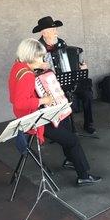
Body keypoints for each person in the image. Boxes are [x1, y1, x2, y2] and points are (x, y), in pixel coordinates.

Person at [8, 38, 102, 186]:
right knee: (73, 139)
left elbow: (15, 96)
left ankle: (71, 159)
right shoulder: (27, 76)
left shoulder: (18, 66)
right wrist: (43, 101)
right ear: (31, 56)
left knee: (64, 120)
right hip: (33, 119)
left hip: (28, 115)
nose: (42, 59)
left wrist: (38, 68)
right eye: (40, 57)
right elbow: (19, 103)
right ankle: (83, 175)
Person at [32, 16, 96, 135]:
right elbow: (33, 70)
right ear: (44, 32)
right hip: (49, 85)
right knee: (64, 98)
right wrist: (43, 67)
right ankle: (70, 129)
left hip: (67, 79)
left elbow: (70, 58)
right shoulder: (37, 47)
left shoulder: (61, 42)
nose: (56, 32)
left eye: (55, 29)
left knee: (87, 94)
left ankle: (89, 123)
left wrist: (81, 66)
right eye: (53, 30)